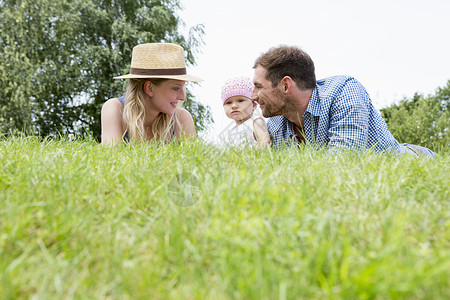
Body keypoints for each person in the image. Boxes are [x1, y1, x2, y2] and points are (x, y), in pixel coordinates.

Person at [251, 45, 437, 157]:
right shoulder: (275, 124)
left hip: (414, 161)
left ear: (285, 86)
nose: (253, 96)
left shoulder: (343, 91)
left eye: (259, 86)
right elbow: (269, 179)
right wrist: (263, 142)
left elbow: (343, 163)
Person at [101, 43, 201, 145]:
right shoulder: (116, 109)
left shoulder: (181, 119)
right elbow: (113, 158)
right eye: (176, 88)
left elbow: (191, 160)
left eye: (183, 88)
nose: (182, 97)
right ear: (149, 88)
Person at [218, 76, 270, 148]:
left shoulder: (255, 121)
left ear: (253, 105)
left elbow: (264, 140)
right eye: (229, 103)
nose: (234, 106)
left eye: (240, 101)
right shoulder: (229, 130)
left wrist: (254, 154)